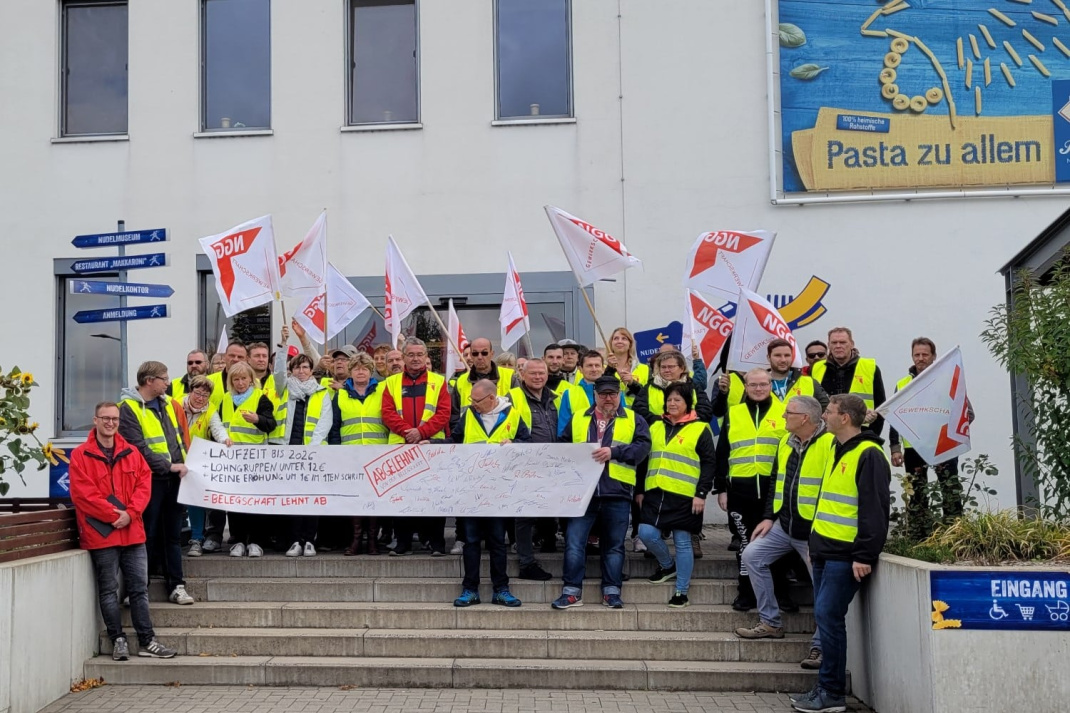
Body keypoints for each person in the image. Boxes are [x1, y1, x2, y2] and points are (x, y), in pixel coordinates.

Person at [791, 395, 891, 713]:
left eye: (830, 412)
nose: (825, 416)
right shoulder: (837, 447)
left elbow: (875, 511)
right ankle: (826, 688)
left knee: (828, 618)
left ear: (845, 418)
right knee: (826, 617)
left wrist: (864, 555)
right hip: (825, 550)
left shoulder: (869, 454)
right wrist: (814, 542)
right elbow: (830, 501)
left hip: (845, 556)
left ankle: (832, 693)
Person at [69, 402, 178, 661]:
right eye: (105, 418)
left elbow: (144, 484)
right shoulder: (80, 455)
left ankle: (147, 641)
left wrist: (130, 513)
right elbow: (83, 494)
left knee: (139, 589)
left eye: (114, 419)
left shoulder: (131, 451)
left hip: (132, 531)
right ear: (95, 420)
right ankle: (117, 639)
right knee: (108, 590)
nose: (110, 423)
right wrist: (114, 516)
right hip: (102, 534)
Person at [735, 395, 833, 673]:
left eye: (789, 413)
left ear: (805, 418)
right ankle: (770, 623)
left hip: (814, 530)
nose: (783, 416)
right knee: (752, 555)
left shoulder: (829, 443)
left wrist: (821, 532)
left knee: (823, 586)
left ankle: (821, 645)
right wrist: (768, 517)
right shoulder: (785, 441)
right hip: (784, 524)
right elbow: (776, 482)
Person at [552, 375, 651, 610]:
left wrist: (614, 452)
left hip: (617, 492)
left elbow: (643, 447)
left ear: (619, 395)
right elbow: (562, 448)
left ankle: (612, 591)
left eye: (613, 394)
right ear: (594, 395)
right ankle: (571, 592)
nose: (608, 398)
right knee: (574, 543)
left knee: (614, 545)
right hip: (582, 493)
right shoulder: (578, 418)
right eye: (603, 394)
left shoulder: (634, 419)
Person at [118, 360, 193, 606]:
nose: (168, 382)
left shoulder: (168, 404)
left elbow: (178, 438)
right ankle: (139, 589)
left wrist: (182, 465)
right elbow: (137, 448)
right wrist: (170, 466)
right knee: (146, 534)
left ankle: (177, 586)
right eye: (164, 378)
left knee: (173, 535)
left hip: (174, 478)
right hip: (148, 480)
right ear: (150, 381)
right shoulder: (128, 408)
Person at [449, 379, 530, 607]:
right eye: (471, 400)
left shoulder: (512, 415)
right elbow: (453, 442)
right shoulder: (467, 416)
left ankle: (501, 590)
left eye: (477, 401)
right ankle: (470, 589)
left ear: (492, 398)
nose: (473, 405)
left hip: (499, 491)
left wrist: (513, 443)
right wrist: (431, 444)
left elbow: (528, 444)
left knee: (497, 541)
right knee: (471, 541)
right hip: (471, 490)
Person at [714, 368, 788, 612]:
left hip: (773, 489)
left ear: (770, 385)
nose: (758, 389)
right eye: (753, 384)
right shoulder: (734, 413)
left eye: (763, 384)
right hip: (740, 490)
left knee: (776, 544)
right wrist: (721, 489)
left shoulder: (785, 411)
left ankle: (780, 593)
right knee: (746, 545)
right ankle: (746, 593)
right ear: (745, 387)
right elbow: (722, 453)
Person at [636, 382, 715, 608]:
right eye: (669, 399)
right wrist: (640, 489)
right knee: (646, 533)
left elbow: (710, 463)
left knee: (682, 542)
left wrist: (701, 493)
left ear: (688, 403)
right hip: (655, 491)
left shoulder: (700, 428)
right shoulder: (654, 426)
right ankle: (667, 565)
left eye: (677, 400)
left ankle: (681, 591)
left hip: (685, 495)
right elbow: (643, 460)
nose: (672, 403)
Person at [889, 338, 974, 533]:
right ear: (912, 356)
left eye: (925, 354)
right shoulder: (903, 384)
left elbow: (968, 413)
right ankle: (919, 536)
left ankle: (955, 534)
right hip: (913, 449)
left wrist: (951, 429)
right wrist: (895, 448)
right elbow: (894, 417)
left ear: (934, 357)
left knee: (950, 490)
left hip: (944, 445)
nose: (920, 358)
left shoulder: (948, 381)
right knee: (917, 493)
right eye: (917, 355)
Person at [381, 338, 451, 556]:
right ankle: (403, 543)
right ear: (403, 357)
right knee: (402, 497)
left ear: (426, 356)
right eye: (410, 354)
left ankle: (436, 542)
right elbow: (387, 413)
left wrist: (421, 432)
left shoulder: (438, 381)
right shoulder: (391, 383)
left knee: (434, 496)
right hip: (401, 448)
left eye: (420, 354)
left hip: (431, 446)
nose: (415, 358)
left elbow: (444, 413)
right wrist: (407, 432)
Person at [274, 333, 333, 557]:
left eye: (306, 367)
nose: (301, 371)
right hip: (288, 453)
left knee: (311, 499)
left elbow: (324, 423)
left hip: (313, 456)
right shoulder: (284, 389)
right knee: (293, 500)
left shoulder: (321, 392)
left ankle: (309, 540)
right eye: (297, 367)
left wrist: (311, 452)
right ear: (292, 370)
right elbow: (278, 372)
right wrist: (283, 346)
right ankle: (295, 541)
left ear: (311, 370)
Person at [329, 352, 388, 555]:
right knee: (355, 498)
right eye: (356, 368)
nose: (360, 372)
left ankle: (372, 539)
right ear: (351, 372)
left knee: (374, 498)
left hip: (377, 453)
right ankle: (355, 539)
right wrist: (338, 452)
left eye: (364, 368)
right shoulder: (341, 394)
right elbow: (335, 426)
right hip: (351, 454)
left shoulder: (382, 391)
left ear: (370, 371)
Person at [219, 361, 277, 557]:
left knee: (255, 502)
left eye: (244, 378)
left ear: (251, 379)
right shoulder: (226, 399)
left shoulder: (261, 398)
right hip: (233, 461)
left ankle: (256, 541)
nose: (240, 382)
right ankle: (238, 541)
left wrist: (258, 420)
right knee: (234, 502)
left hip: (256, 461)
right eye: (236, 379)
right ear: (231, 381)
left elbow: (271, 424)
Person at [509, 358, 559, 580]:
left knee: (551, 506)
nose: (538, 377)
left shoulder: (556, 397)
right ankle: (526, 562)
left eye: (542, 373)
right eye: (533, 373)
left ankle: (548, 542)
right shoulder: (512, 397)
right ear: (523, 375)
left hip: (554, 463)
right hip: (525, 463)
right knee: (525, 514)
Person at [179, 376, 232, 557]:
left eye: (205, 395)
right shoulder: (176, 406)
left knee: (195, 501)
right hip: (175, 458)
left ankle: (196, 539)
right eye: (198, 393)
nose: (200, 398)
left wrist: (225, 439)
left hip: (195, 461)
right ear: (190, 391)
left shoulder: (210, 410)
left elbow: (217, 428)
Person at [809, 327, 886, 435]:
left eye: (843, 342)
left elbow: (881, 406)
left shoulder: (870, 368)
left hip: (860, 432)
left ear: (852, 344)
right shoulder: (817, 368)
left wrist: (873, 435)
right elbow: (810, 403)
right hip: (825, 433)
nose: (838, 346)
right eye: (834, 342)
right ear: (829, 345)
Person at [556, 351, 622, 438]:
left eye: (597, 365)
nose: (594, 369)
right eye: (589, 366)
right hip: (581, 448)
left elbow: (623, 420)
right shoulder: (569, 394)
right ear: (580, 369)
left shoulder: (617, 393)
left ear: (603, 368)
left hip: (611, 448)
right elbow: (562, 430)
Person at [451, 337, 516, 421]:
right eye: (475, 354)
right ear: (471, 355)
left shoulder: (509, 377)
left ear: (492, 354)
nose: (480, 357)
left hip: (503, 433)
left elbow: (519, 410)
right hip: (471, 433)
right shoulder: (461, 381)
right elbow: (454, 416)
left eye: (484, 353)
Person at [606, 327, 650, 406]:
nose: (619, 341)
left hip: (638, 414)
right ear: (611, 344)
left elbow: (648, 395)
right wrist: (609, 369)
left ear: (630, 344)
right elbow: (602, 390)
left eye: (624, 338)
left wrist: (632, 383)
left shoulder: (645, 369)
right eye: (616, 338)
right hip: (612, 413)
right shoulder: (603, 368)